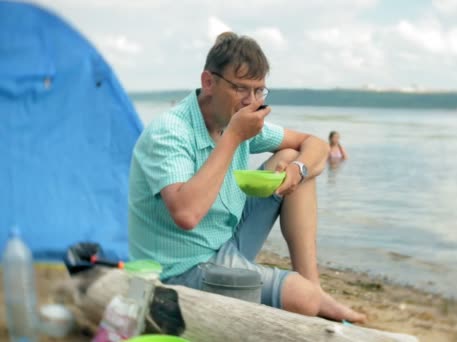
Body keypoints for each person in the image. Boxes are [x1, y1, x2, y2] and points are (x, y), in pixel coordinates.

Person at [128, 32, 366, 323]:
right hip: (180, 270)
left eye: (259, 91)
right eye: (241, 88)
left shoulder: (233, 118)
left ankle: (313, 286)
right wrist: (234, 137)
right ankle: (310, 297)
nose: (251, 102)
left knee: (291, 156)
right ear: (208, 82)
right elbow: (186, 214)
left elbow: (314, 144)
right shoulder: (171, 131)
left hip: (224, 241)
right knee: (301, 300)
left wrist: (297, 171)